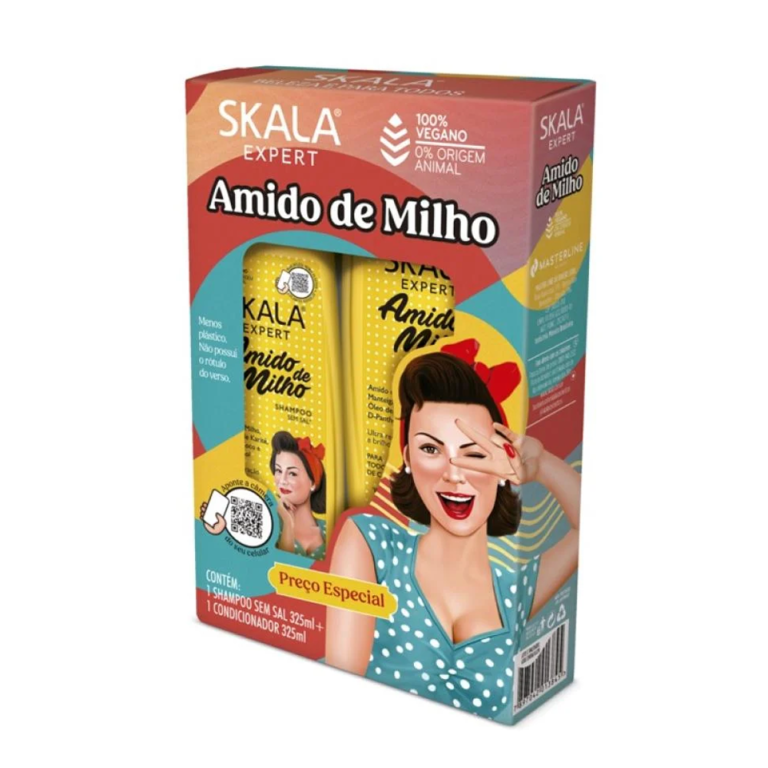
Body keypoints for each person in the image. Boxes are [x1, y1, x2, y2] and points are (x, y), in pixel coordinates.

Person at [325, 341, 580, 717]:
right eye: (431, 449)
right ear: (407, 458)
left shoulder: (515, 591)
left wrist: (540, 464)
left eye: (474, 453)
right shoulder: (371, 545)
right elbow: (342, 690)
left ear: (502, 467)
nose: (454, 473)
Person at [200, 431, 327, 560]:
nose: (282, 480)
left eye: (292, 473)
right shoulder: (266, 518)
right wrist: (220, 531)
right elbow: (279, 562)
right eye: (278, 470)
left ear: (313, 482)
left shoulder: (328, 527)